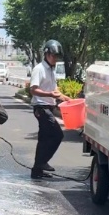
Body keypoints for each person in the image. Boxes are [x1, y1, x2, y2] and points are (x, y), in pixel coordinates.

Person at [29, 39, 70, 179]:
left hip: (49, 107)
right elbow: (33, 90)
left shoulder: (51, 70)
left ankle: (37, 170)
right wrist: (50, 94)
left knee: (44, 139)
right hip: (41, 107)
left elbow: (54, 89)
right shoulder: (39, 69)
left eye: (57, 57)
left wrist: (67, 99)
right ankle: (43, 162)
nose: (55, 59)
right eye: (53, 56)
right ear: (46, 54)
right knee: (57, 135)